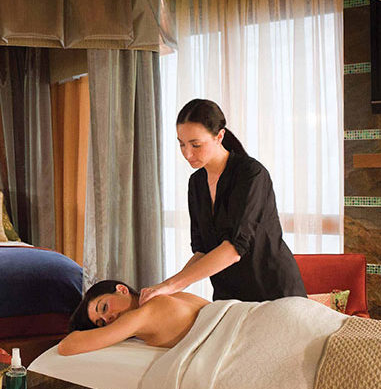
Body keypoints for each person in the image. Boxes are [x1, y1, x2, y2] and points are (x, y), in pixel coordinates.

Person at [140, 99, 306, 305]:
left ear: (219, 136)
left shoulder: (251, 174)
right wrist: (164, 288)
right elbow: (202, 251)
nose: (187, 153)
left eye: (196, 145)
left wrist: (171, 286)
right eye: (181, 144)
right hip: (230, 297)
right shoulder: (197, 183)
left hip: (274, 293)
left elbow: (233, 250)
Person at [58, 280, 209, 356]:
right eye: (101, 323)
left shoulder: (143, 315)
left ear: (122, 289)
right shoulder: (170, 295)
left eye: (104, 307)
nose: (107, 318)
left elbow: (66, 347)